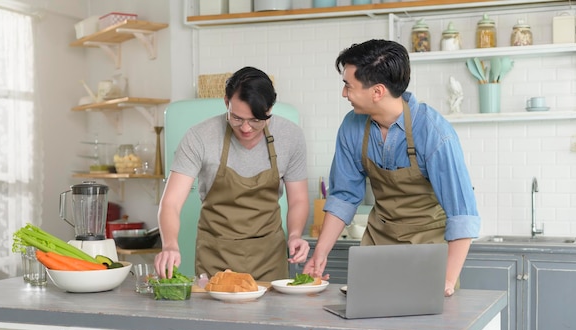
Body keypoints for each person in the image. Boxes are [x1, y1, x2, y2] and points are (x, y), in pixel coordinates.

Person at [303, 40, 480, 296]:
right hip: (378, 245)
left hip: (428, 248)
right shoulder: (352, 127)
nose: (344, 94)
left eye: (348, 86)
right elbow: (344, 195)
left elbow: (462, 214)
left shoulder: (434, 133)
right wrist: (319, 254)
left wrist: (447, 280)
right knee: (368, 327)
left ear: (377, 91)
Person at [155, 66, 310, 282]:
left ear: (270, 108)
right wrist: (170, 245)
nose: (246, 128)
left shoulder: (291, 136)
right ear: (226, 102)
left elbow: (299, 200)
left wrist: (295, 235)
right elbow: (170, 202)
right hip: (215, 257)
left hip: (269, 259)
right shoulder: (199, 137)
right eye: (237, 118)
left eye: (256, 119)